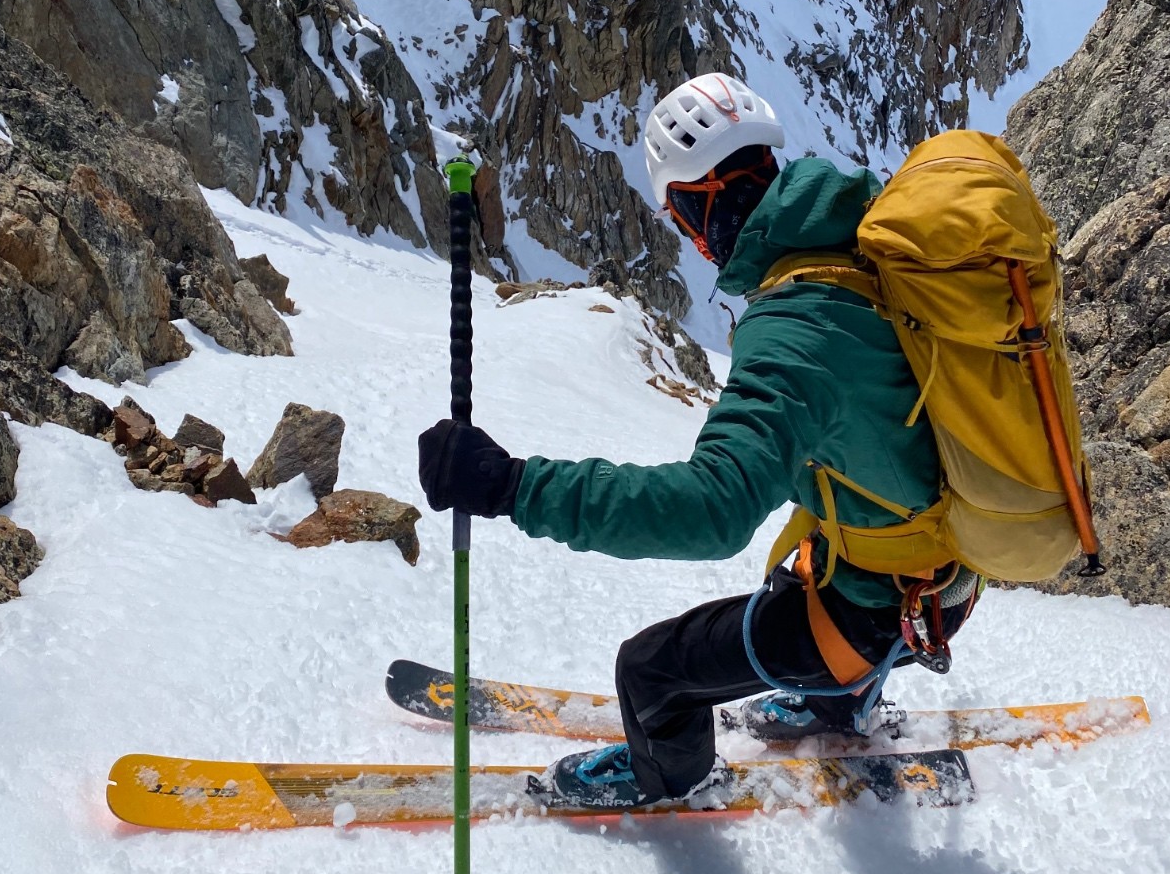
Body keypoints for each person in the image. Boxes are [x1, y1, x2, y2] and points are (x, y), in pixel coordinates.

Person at [418, 74, 977, 808]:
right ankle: (841, 704)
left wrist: (512, 485)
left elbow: (709, 512)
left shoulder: (797, 325)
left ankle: (671, 776)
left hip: (875, 617)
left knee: (651, 670)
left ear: (697, 201)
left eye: (679, 218)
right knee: (794, 575)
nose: (690, 240)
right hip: (951, 579)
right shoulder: (873, 250)